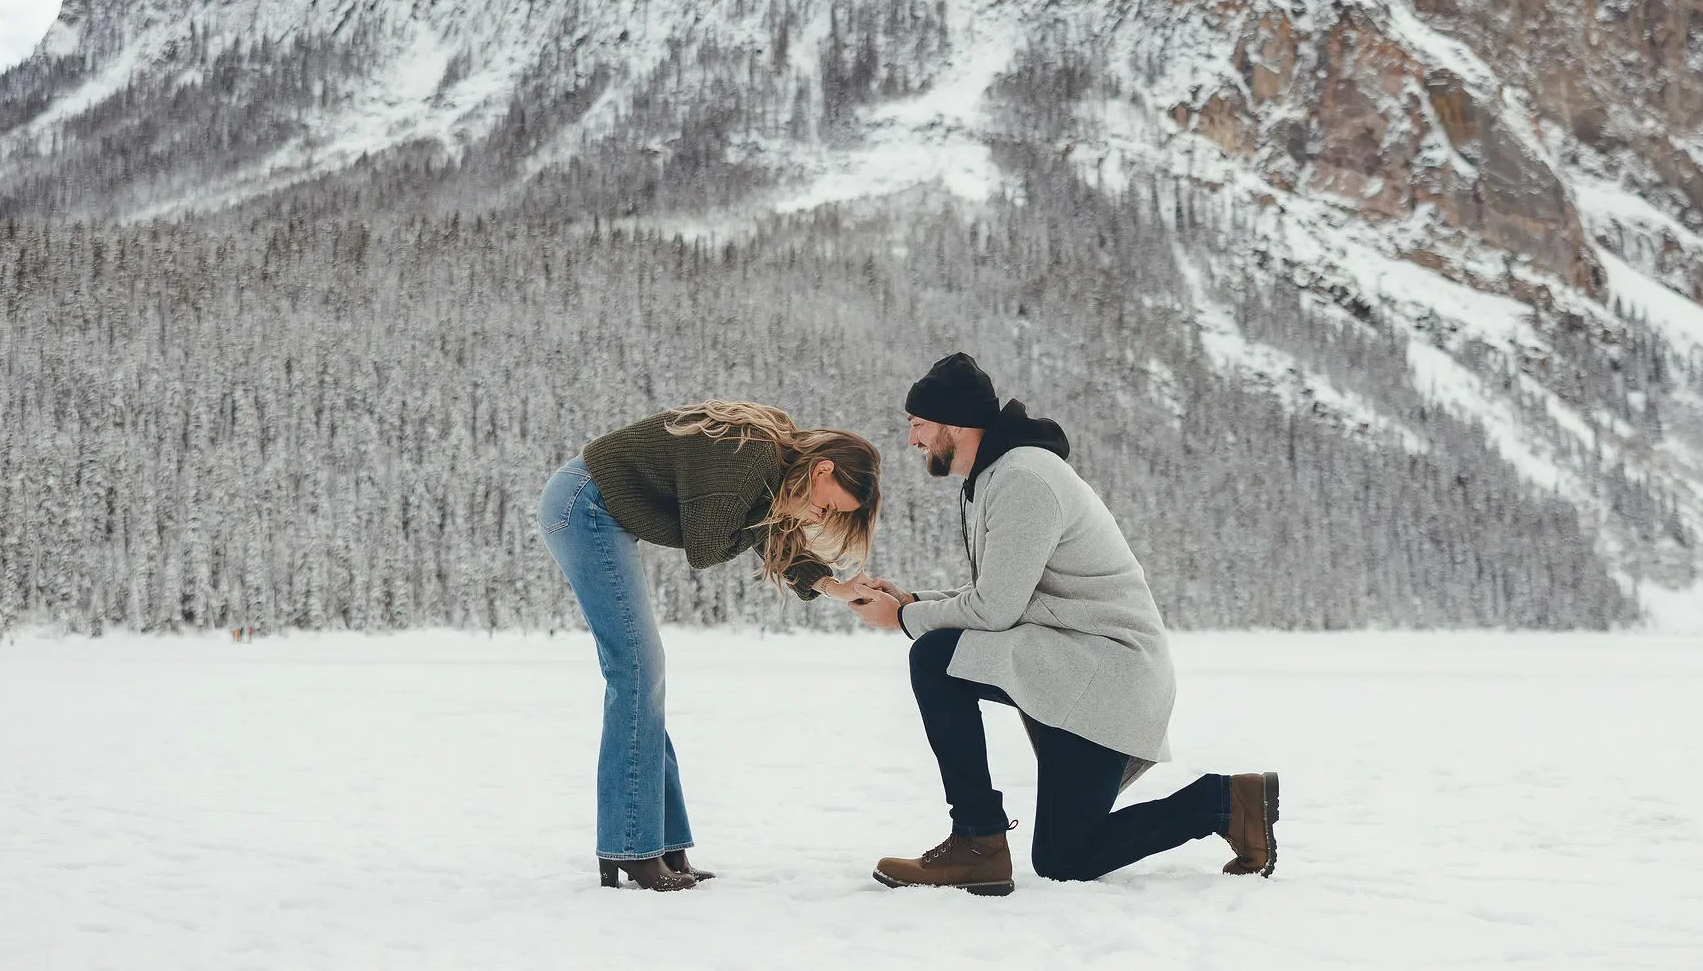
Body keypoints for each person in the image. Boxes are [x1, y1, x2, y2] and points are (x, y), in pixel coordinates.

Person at [846, 353, 1280, 894]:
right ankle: (1224, 802)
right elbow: (1001, 597)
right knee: (1066, 857)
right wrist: (912, 600)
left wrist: (906, 618)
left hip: (1105, 676)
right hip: (1072, 671)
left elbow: (994, 612)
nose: (912, 440)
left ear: (954, 423)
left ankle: (978, 840)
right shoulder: (997, 478)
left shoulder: (1024, 479)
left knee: (935, 658)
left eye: (918, 424)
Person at [540, 400, 882, 892]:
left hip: (594, 506)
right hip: (584, 505)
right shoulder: (752, 458)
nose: (821, 513)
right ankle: (633, 848)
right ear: (823, 468)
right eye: (828, 503)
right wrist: (778, 518)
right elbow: (706, 545)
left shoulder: (771, 470)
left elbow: (761, 534)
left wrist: (833, 585)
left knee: (644, 676)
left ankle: (663, 846)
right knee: (636, 670)